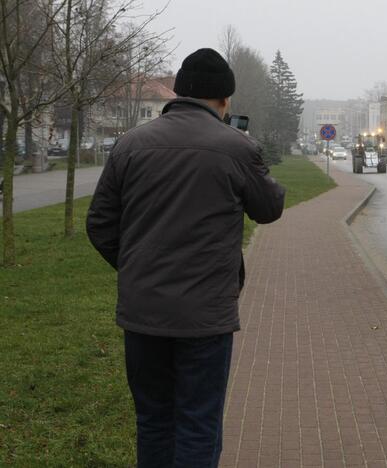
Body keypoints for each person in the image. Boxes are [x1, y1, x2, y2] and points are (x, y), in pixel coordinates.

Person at [86, 48, 285, 468]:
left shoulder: (129, 145)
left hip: (144, 312)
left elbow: (100, 223)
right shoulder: (237, 147)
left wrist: (137, 269)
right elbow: (269, 208)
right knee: (198, 425)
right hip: (205, 317)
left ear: (176, 93)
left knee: (154, 421)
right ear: (225, 101)